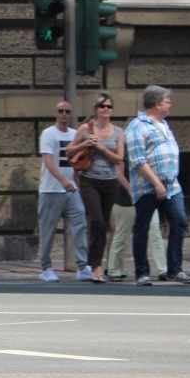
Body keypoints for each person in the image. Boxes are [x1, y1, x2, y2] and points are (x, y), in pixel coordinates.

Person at [125, 85, 190, 285]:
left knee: (180, 223)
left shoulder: (163, 124)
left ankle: (174, 270)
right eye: (167, 102)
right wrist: (156, 183)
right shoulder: (137, 127)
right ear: (157, 104)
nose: (170, 105)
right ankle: (142, 273)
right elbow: (138, 160)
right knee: (142, 228)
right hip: (147, 187)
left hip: (172, 186)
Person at [69, 93, 124, 283]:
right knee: (98, 222)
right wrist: (85, 143)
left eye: (109, 106)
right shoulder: (86, 128)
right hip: (89, 181)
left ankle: (96, 266)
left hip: (110, 182)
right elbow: (68, 150)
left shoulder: (118, 131)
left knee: (105, 226)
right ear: (96, 109)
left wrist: (100, 147)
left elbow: (119, 159)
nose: (106, 109)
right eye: (102, 106)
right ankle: (96, 266)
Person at [37, 100, 93, 282]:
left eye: (67, 111)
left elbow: (77, 162)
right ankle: (46, 268)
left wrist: (78, 184)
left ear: (70, 114)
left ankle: (83, 266)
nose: (63, 114)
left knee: (80, 226)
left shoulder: (75, 134)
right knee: (48, 230)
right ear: (55, 113)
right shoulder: (48, 134)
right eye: (60, 111)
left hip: (71, 190)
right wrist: (63, 181)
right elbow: (48, 161)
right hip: (51, 190)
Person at [106, 158, 166, 280]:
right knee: (121, 235)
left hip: (147, 196)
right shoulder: (125, 149)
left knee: (155, 233)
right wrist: (130, 189)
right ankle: (114, 270)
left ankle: (163, 270)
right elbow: (118, 173)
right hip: (126, 200)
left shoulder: (149, 151)